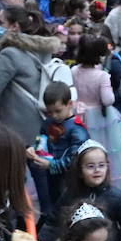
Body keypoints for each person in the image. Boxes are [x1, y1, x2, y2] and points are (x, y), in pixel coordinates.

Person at [0, 5, 60, 149]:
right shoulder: (42, 50)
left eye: (1, 23)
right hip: (40, 120)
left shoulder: (10, 53)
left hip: (16, 125)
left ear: (14, 26)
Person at [72, 35, 121, 191]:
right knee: (107, 153)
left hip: (80, 114)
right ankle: (107, 185)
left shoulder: (74, 70)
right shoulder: (101, 75)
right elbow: (108, 100)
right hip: (100, 118)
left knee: (83, 152)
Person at [33, 82, 89, 226]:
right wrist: (34, 150)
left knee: (70, 211)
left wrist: (51, 164)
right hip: (52, 176)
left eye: (58, 111)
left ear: (69, 104)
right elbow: (41, 143)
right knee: (55, 207)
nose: (54, 116)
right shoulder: (47, 124)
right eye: (50, 112)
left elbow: (75, 159)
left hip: (70, 179)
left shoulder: (77, 129)